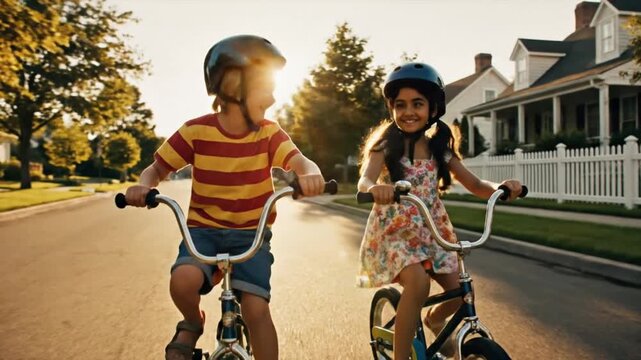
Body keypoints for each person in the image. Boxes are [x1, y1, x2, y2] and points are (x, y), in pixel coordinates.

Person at [125, 35, 326, 360]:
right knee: (182, 282)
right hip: (202, 233)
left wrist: (309, 174)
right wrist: (143, 186)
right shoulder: (195, 131)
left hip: (252, 234)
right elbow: (156, 169)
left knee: (256, 309)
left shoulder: (269, 133)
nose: (274, 98)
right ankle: (193, 321)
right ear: (234, 85)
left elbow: (300, 161)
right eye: (266, 86)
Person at [356, 62, 522, 359]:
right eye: (401, 105)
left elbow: (474, 183)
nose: (409, 111)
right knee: (417, 283)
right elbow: (365, 178)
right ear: (392, 108)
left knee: (462, 291)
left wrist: (501, 188)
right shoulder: (384, 146)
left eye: (417, 104)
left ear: (433, 109)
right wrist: (374, 189)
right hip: (397, 234)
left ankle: (433, 319)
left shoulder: (439, 150)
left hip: (433, 232)